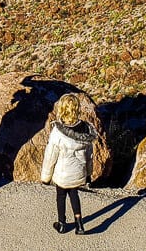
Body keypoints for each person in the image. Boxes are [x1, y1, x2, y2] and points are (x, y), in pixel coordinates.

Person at [40, 93, 97, 235]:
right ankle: (79, 224)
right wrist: (89, 174)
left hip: (63, 173)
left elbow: (50, 156)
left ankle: (62, 223)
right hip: (78, 172)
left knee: (61, 196)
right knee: (74, 194)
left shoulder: (58, 132)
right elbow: (89, 155)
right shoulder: (86, 130)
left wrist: (46, 177)